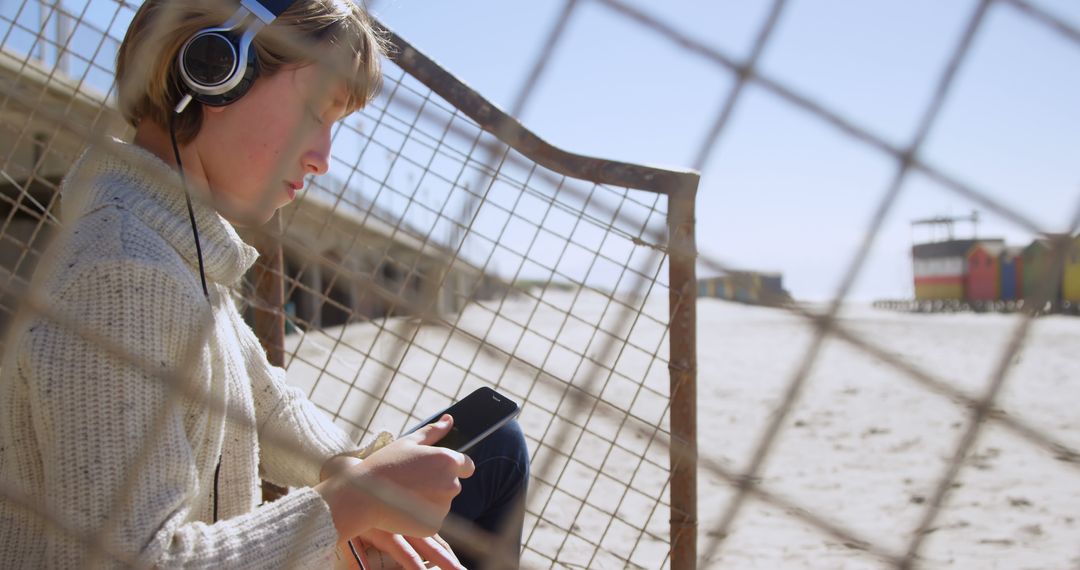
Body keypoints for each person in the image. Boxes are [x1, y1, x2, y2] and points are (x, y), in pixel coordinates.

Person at [0, 1, 529, 568]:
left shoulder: (179, 245)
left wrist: (352, 471)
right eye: (313, 114)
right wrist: (344, 509)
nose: (325, 158)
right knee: (496, 459)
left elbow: (262, 400)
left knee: (492, 446)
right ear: (212, 70)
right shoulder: (124, 274)